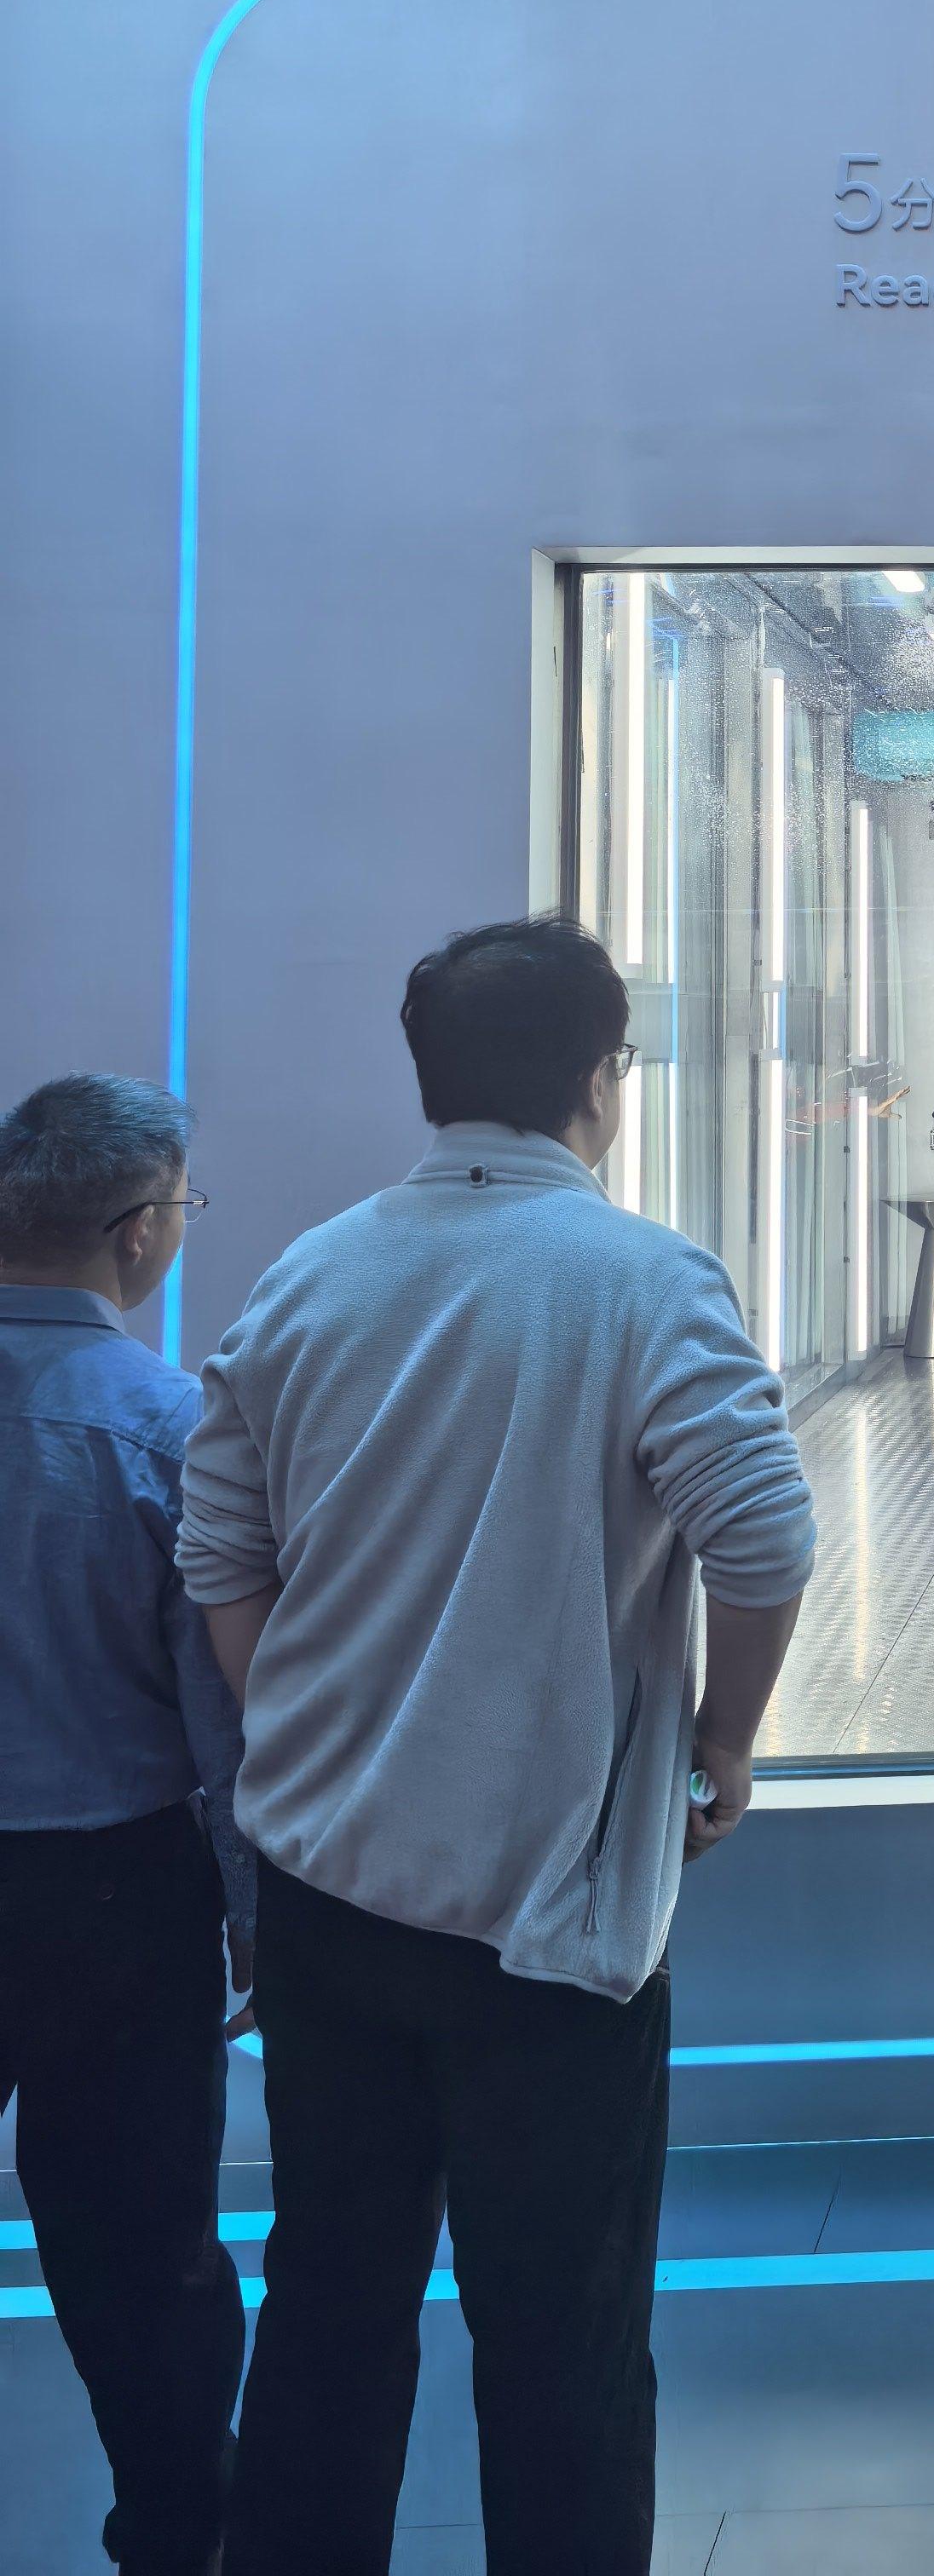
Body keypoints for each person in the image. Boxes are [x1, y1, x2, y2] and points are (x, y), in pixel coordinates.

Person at [179, 916, 816, 2576]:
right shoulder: (639, 1279)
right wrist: (724, 1742)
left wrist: (303, 1734)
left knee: (330, 2304)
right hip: (546, 1919)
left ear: (431, 1077)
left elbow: (219, 1555)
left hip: (325, 1902)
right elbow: (763, 1536)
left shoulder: (308, 1274)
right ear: (603, 1080)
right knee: (561, 2341)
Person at [0, 1074, 251, 2576]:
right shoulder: (165, 1426)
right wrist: (261, 1922)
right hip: (118, 1898)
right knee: (142, 2261)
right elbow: (224, 1720)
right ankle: (174, 2542)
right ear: (141, 1229)